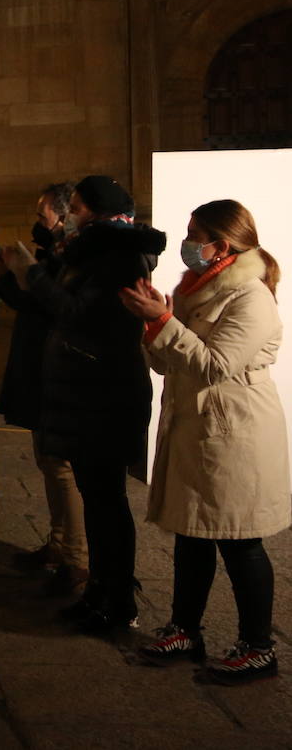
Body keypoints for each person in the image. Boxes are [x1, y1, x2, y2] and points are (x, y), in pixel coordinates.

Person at [121, 200, 288, 684]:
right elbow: (169, 363)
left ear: (223, 243)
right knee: (192, 534)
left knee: (241, 542)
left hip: (234, 434)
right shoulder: (195, 289)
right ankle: (185, 629)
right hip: (197, 429)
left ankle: (259, 647)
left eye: (196, 233)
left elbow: (216, 365)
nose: (189, 242)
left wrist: (163, 322)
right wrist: (156, 323)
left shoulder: (250, 297)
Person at [4, 175, 165, 633]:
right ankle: (100, 590)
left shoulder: (116, 256)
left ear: (94, 210)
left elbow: (80, 313)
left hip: (104, 394)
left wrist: (31, 275)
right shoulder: (95, 250)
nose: (69, 212)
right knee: (97, 500)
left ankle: (118, 601)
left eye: (74, 205)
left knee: (107, 502)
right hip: (86, 391)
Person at [0, 181, 89, 596]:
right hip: (39, 363)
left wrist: (11, 276)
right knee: (47, 460)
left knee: (61, 465)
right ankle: (59, 545)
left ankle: (77, 559)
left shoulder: (73, 258)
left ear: (64, 216)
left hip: (56, 367)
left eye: (43, 213)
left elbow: (45, 302)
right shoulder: (57, 252)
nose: (37, 220)